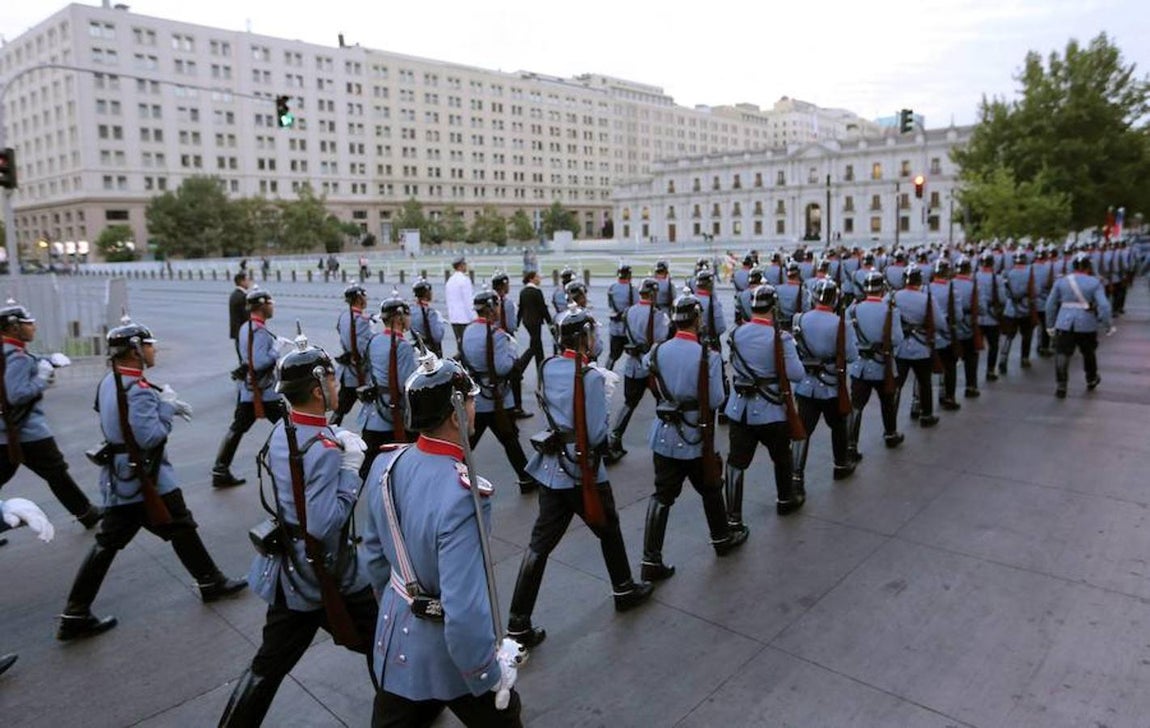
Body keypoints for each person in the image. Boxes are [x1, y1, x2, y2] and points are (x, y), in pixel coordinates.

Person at [218, 341, 377, 726]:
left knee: (267, 666)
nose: (339, 388)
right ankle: (403, 714)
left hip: (291, 569)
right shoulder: (321, 448)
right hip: (329, 570)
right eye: (334, 382)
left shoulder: (282, 429)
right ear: (319, 389)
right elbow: (323, 523)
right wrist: (350, 471)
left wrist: (332, 435)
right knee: (386, 643)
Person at [361, 354, 524, 727]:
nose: (473, 407)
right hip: (450, 654)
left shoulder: (386, 465)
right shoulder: (462, 497)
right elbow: (464, 610)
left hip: (397, 637)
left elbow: (372, 560)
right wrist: (489, 672)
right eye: (469, 400)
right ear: (455, 414)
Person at [58, 320, 246, 642]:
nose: (153, 349)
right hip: (145, 478)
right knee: (176, 527)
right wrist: (166, 410)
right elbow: (150, 437)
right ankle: (209, 581)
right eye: (148, 345)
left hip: (122, 476)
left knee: (151, 533)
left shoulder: (110, 381)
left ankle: (76, 612)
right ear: (134, 350)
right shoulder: (140, 391)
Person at [506, 308, 653, 649]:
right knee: (608, 528)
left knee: (539, 546)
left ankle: (517, 622)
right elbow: (599, 434)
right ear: (583, 337)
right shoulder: (590, 377)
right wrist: (601, 395)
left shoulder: (547, 366)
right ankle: (624, 588)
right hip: (581, 467)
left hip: (550, 466)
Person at [641, 292, 749, 583]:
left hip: (664, 434)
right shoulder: (708, 356)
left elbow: (647, 371)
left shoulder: (657, 351)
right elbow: (716, 399)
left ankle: (650, 559)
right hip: (694, 436)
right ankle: (721, 538)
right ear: (698, 319)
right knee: (711, 488)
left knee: (662, 495)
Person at [0, 302, 103, 528]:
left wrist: (46, 360)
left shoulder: (10, 351)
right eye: (28, 323)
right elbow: (17, 395)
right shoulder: (17, 357)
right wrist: (42, 378)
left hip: (9, 432)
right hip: (26, 431)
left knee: (54, 473)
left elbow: (27, 360)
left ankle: (86, 512)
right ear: (14, 327)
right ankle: (86, 513)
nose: (34, 326)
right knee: (56, 472)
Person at [724, 285, 807, 521]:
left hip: (740, 410)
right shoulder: (781, 338)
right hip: (772, 410)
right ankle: (785, 498)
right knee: (781, 457)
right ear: (774, 307)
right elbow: (796, 374)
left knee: (736, 463)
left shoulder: (736, 333)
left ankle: (733, 517)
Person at [461, 291, 537, 493]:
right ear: (492, 308)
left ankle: (526, 476)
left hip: (477, 395)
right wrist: (512, 353)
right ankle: (526, 478)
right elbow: (503, 367)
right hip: (496, 397)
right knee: (508, 438)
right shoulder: (497, 335)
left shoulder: (468, 331)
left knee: (473, 442)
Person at [212, 289, 289, 488]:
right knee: (289, 425)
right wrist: (276, 350)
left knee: (238, 428)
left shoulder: (246, 327)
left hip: (249, 388)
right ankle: (299, 463)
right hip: (263, 390)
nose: (273, 306)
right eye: (270, 303)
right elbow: (259, 361)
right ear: (263, 306)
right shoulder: (260, 331)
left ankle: (220, 469)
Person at [791, 280, 859, 491]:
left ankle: (796, 475)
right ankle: (840, 464)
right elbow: (850, 356)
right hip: (830, 385)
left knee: (802, 431)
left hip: (805, 384)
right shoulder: (841, 324)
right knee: (838, 426)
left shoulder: (799, 319)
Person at [605, 278, 670, 463]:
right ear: (652, 294)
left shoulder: (629, 312)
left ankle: (615, 438)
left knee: (629, 404)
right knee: (662, 403)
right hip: (652, 367)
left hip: (632, 366)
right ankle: (664, 441)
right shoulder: (657, 315)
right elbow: (661, 340)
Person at [845, 272, 906, 458]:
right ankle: (890, 433)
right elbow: (896, 339)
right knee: (887, 402)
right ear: (882, 289)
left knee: (856, 407)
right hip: (882, 365)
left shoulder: (853, 310)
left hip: (860, 366)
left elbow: (848, 338)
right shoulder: (890, 310)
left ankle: (851, 445)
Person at [360, 294, 416, 477]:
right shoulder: (403, 346)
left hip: (373, 412)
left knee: (365, 468)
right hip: (393, 415)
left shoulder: (374, 340)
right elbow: (406, 385)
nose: (409, 319)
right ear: (399, 318)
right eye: (407, 315)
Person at [1046, 252, 1112, 398]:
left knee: (1062, 353)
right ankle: (1091, 378)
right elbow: (1104, 306)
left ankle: (1061, 385)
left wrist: (1050, 324)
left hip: (1064, 322)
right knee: (1088, 353)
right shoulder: (1094, 282)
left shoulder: (1061, 282)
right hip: (1087, 322)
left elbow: (1050, 305)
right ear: (1088, 267)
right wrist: (1106, 323)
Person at [893, 267, 947, 428]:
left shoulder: (893, 296)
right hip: (921, 347)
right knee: (925, 382)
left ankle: (891, 422)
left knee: (897, 386)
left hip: (900, 347)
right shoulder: (926, 299)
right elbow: (940, 323)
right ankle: (926, 414)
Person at [331, 284, 374, 427]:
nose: (366, 299)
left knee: (342, 407)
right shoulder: (361, 321)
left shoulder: (344, 316)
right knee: (373, 403)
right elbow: (363, 348)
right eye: (364, 296)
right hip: (358, 371)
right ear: (359, 298)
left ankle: (329, 430)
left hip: (347, 370)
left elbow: (340, 331)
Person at [492, 271, 531, 419]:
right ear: (503, 285)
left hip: (492, 337)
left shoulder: (492, 299)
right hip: (505, 339)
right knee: (514, 374)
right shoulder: (507, 303)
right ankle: (517, 407)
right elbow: (511, 325)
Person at [928, 260, 961, 411]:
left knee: (924, 371)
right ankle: (948, 396)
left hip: (927, 334)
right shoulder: (952, 290)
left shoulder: (925, 289)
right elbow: (958, 316)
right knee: (949, 366)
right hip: (946, 333)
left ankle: (918, 403)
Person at [1000, 250, 1037, 373]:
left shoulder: (1007, 273)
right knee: (1027, 334)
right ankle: (1024, 358)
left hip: (1011, 308)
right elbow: (1033, 290)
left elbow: (1004, 293)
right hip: (1025, 308)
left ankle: (1003, 359)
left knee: (1009, 336)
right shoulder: (1029, 272)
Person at [975, 251, 1007, 383]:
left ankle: (973, 374)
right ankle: (990, 370)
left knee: (975, 347)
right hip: (992, 317)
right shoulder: (997, 278)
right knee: (993, 346)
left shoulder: (974, 276)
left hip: (977, 316)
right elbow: (1002, 298)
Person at [516, 271, 551, 377]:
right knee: (534, 347)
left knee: (537, 345)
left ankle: (541, 367)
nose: (539, 279)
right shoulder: (537, 292)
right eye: (537, 277)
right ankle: (519, 367)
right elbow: (542, 308)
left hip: (527, 322)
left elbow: (521, 309)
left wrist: (517, 323)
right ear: (531, 279)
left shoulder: (523, 292)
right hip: (535, 322)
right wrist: (550, 322)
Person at [605, 264, 636, 371]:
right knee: (635, 354)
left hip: (615, 327)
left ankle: (607, 373)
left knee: (613, 355)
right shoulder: (632, 289)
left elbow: (610, 305)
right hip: (629, 328)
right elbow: (635, 307)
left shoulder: (612, 288)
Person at [410, 278, 446, 358]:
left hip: (418, 347)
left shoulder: (411, 310)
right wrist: (440, 323)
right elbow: (437, 336)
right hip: (431, 350)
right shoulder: (431, 313)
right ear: (427, 293)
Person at [445, 256, 474, 355]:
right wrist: (473, 318)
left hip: (454, 318)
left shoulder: (450, 281)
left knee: (460, 345)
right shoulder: (465, 280)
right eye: (465, 264)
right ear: (461, 266)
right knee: (467, 348)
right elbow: (468, 302)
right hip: (465, 318)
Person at [229, 272, 253, 360]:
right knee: (247, 359)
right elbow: (247, 316)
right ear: (241, 282)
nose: (249, 282)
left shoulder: (234, 294)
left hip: (238, 333)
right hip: (243, 333)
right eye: (247, 280)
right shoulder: (242, 297)